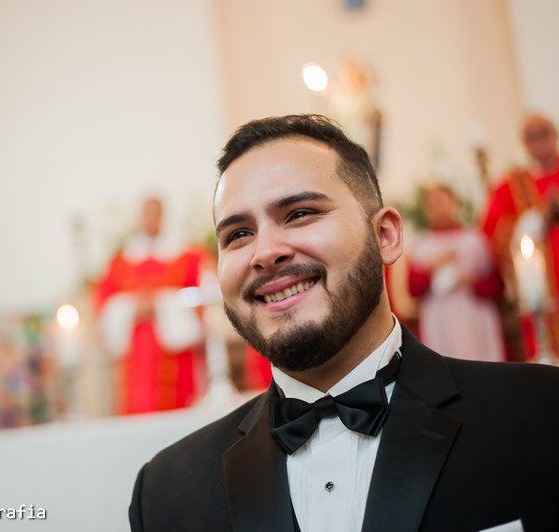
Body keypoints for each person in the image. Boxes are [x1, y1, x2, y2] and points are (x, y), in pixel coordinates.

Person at [129, 114, 559, 531]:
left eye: (299, 213)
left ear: (385, 236)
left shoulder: (540, 414)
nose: (265, 252)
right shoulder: (166, 493)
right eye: (238, 234)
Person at [95, 197, 207, 414]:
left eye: (154, 213)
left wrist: (160, 305)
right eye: (145, 214)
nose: (149, 219)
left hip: (175, 350)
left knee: (180, 409)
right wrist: (130, 307)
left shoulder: (186, 256)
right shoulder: (122, 261)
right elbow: (104, 299)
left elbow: (201, 297)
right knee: (139, 404)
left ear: (163, 216)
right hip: (136, 348)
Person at [481, 113, 559, 359]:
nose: (539, 141)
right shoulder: (511, 186)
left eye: (544, 133)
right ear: (524, 143)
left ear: (555, 135)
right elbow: (493, 233)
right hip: (543, 290)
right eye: (531, 137)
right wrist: (539, 217)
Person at [408, 184, 505, 362]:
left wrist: (472, 281)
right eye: (433, 204)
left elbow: (496, 286)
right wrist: (431, 267)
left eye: (442, 202)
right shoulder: (422, 245)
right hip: (440, 320)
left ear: (454, 202)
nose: (439, 208)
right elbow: (414, 289)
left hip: (474, 316)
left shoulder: (474, 240)